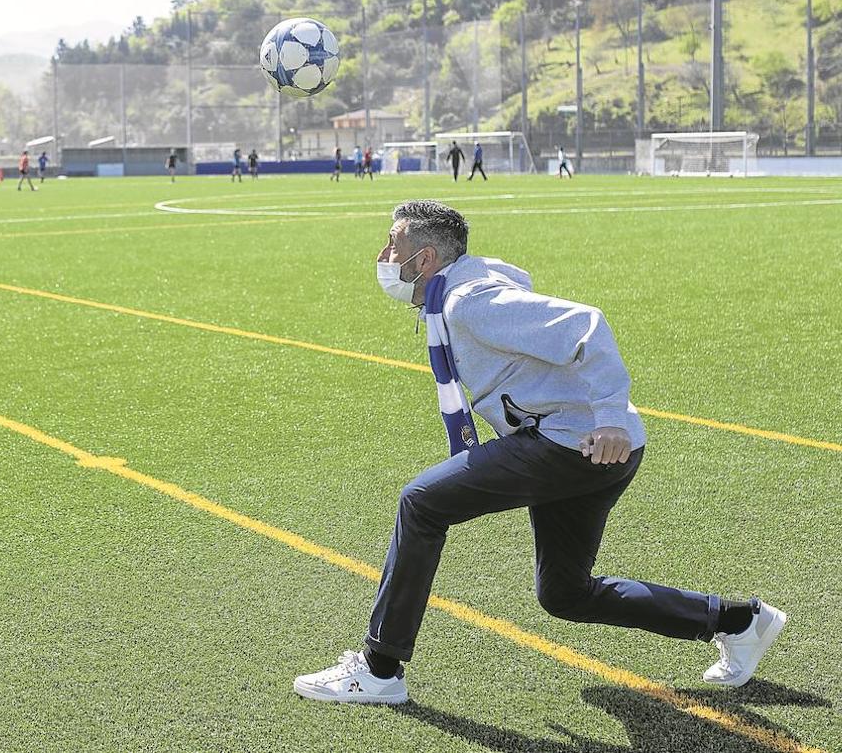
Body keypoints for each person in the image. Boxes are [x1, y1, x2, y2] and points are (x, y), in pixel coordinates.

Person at [294, 199, 786, 704]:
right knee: (565, 593)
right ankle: (738, 620)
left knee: (421, 502)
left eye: (392, 243)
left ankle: (379, 669)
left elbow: (585, 324)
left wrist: (611, 418)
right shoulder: (453, 294)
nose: (382, 253)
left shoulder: (469, 300)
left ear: (423, 260)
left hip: (574, 444)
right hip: (586, 448)